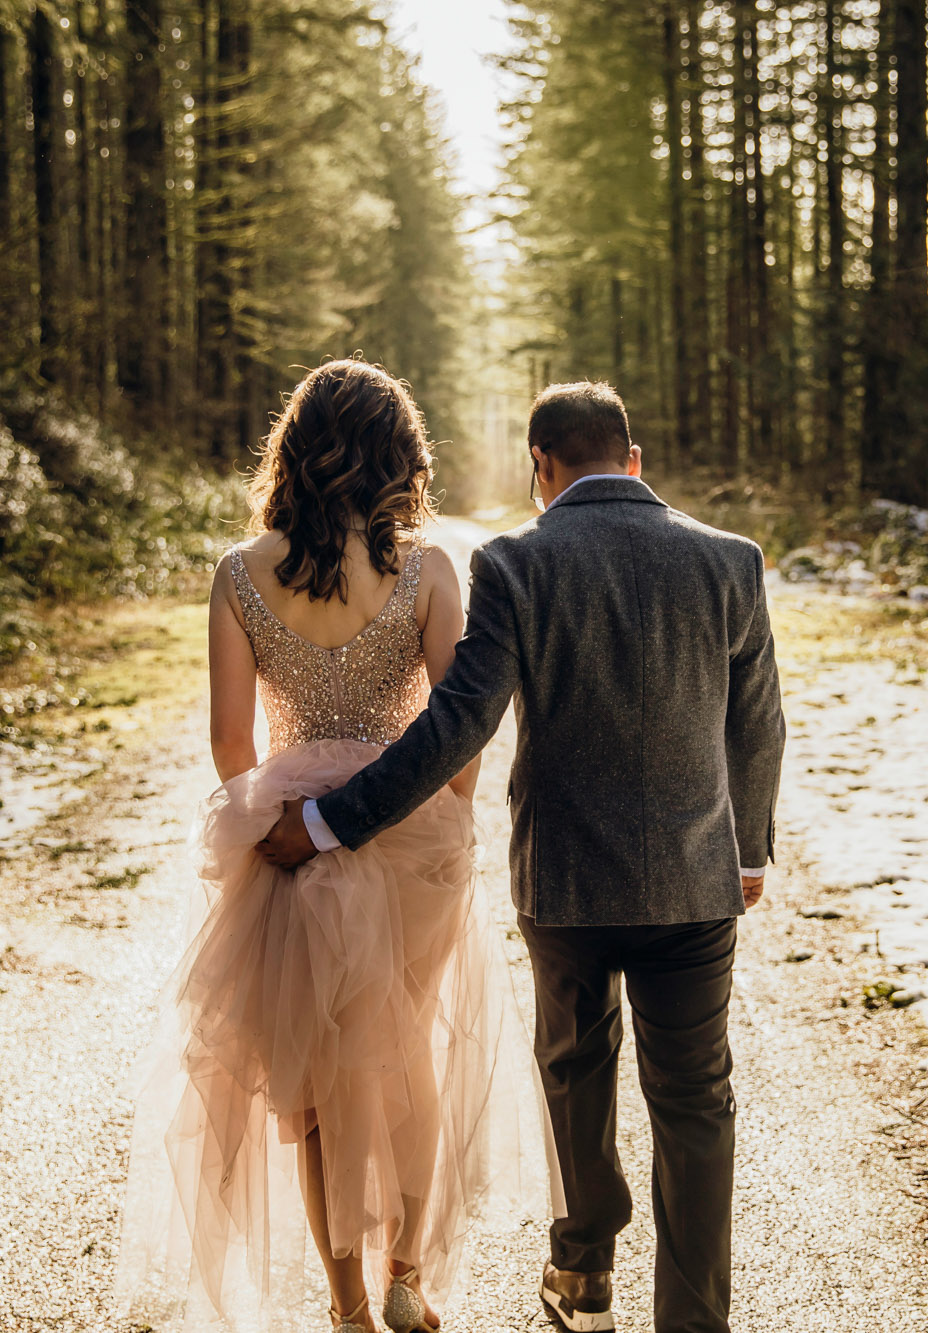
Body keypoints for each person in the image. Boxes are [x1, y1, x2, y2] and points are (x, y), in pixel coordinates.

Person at [257, 380, 787, 1333]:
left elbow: (455, 727)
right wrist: (749, 851)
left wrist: (332, 820)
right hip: (694, 882)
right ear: (634, 462)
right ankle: (696, 1321)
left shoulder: (518, 563)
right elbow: (759, 726)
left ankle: (583, 1282)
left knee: (577, 1071)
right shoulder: (732, 561)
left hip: (567, 883)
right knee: (697, 1100)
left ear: (539, 469)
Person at [118, 360, 514, 1333]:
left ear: (290, 452)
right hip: (407, 828)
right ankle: (406, 1275)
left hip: (290, 832)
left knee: (310, 1077)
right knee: (407, 1051)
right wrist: (440, 817)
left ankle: (344, 1305)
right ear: (399, 458)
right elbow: (456, 725)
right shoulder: (425, 570)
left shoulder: (240, 574)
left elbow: (227, 740)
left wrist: (269, 820)